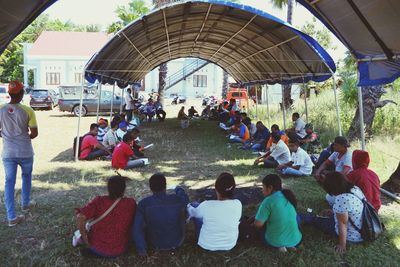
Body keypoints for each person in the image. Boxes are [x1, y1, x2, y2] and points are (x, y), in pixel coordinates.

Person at [0, 80, 38, 227]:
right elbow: (34, 133)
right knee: (26, 177)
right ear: (22, 93)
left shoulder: (1, 109)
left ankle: (11, 217)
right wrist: (23, 137)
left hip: (8, 152)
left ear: (9, 93)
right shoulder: (28, 111)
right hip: (25, 151)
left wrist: (7, 136)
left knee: (9, 183)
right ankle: (25, 204)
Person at [299, 172, 365, 253]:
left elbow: (343, 224)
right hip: (362, 229)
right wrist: (334, 212)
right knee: (326, 217)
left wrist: (342, 245)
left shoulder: (342, 199)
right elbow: (351, 210)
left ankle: (298, 218)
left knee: (315, 219)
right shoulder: (355, 189)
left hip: (352, 235)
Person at [75, 176, 137, 257]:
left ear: (108, 188)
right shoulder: (131, 203)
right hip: (121, 248)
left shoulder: (99, 201)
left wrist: (84, 236)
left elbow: (80, 217)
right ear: (124, 189)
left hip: (97, 248)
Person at [133, 173, 189, 256]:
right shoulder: (177, 199)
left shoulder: (144, 204)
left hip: (154, 243)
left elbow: (137, 228)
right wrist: (178, 189)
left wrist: (142, 249)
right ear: (165, 186)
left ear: (150, 188)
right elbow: (185, 198)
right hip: (177, 241)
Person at [187, 173, 242, 251]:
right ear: (233, 189)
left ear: (216, 189)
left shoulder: (206, 205)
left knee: (195, 206)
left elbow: (193, 213)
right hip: (230, 244)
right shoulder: (238, 204)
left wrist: (189, 206)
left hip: (206, 244)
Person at [253, 174, 302, 251]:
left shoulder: (268, 201)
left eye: (263, 187)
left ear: (270, 188)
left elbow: (257, 225)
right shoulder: (288, 196)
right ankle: (289, 245)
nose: (262, 190)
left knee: (260, 231)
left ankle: (280, 246)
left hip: (275, 241)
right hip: (296, 240)